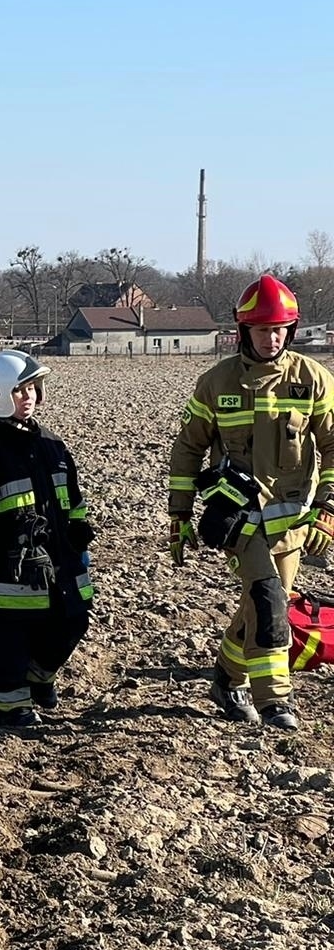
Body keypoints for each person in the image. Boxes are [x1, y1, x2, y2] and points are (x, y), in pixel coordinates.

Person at [168, 272, 334, 730]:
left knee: (258, 605)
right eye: (262, 329)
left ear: (291, 330)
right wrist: (179, 514)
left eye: (279, 328)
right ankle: (275, 701)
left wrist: (329, 509)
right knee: (268, 603)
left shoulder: (312, 379)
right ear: (244, 330)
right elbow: (188, 449)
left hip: (294, 522)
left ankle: (225, 676)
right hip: (239, 520)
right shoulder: (215, 382)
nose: (271, 337)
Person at [0, 350, 93, 731]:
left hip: (59, 559)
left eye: (33, 388)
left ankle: (37, 679)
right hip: (6, 567)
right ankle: (8, 710)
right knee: (8, 639)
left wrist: (80, 533)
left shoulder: (51, 444)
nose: (29, 396)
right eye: (20, 389)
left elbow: (72, 498)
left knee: (73, 620)